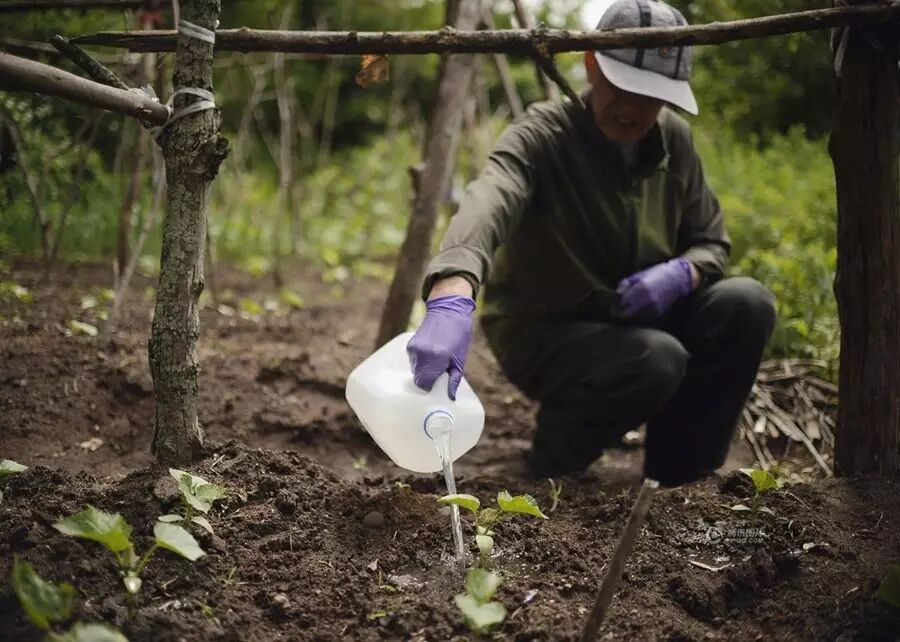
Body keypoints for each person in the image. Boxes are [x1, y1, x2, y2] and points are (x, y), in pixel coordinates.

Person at [406, 0, 776, 487]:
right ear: (591, 65)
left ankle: (681, 470)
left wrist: (681, 273)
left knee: (746, 303)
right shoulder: (542, 136)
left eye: (653, 96)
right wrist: (453, 286)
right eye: (624, 87)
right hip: (549, 330)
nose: (634, 109)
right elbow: (488, 199)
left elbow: (710, 243)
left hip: (640, 319)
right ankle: (555, 458)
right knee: (655, 358)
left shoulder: (675, 141)